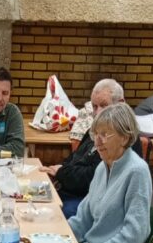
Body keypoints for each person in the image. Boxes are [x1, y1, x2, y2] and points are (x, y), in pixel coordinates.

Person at [67, 102, 152, 243]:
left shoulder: (137, 171)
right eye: (95, 134)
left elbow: (135, 234)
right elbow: (83, 217)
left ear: (124, 138)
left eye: (105, 135)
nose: (97, 142)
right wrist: (61, 237)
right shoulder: (102, 167)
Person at [40, 78, 126, 218]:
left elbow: (92, 177)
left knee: (54, 214)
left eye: (104, 105)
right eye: (94, 107)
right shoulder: (94, 131)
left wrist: (61, 172)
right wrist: (58, 172)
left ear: (120, 104)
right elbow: (74, 158)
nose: (97, 113)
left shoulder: (121, 139)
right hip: (73, 191)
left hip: (93, 201)